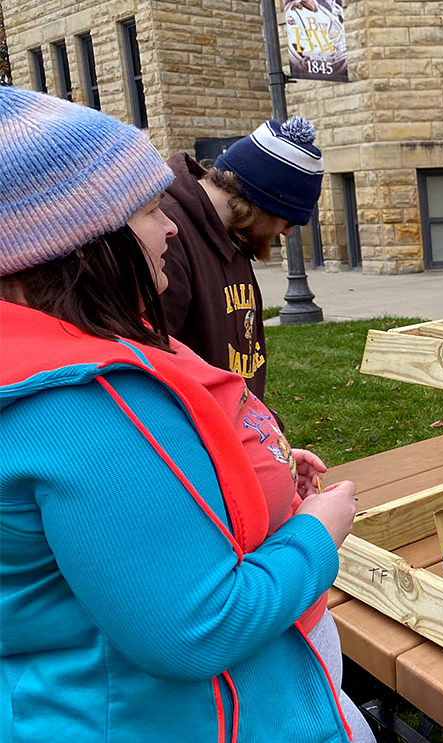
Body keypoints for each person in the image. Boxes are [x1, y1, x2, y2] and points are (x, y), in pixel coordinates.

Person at [1, 88, 362, 742]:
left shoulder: (67, 352)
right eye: (146, 210)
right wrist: (318, 531)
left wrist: (265, 458)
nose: (167, 224)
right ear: (82, 242)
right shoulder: (87, 401)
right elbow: (199, 626)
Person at [159, 116, 325, 399]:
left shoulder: (236, 236)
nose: (286, 232)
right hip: (197, 437)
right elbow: (155, 369)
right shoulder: (167, 234)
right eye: (288, 220)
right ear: (259, 201)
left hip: (240, 434)